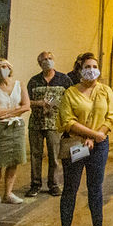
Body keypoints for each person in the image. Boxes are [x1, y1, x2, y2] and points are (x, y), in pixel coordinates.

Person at [55, 53, 113, 226]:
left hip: (99, 146)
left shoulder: (105, 91)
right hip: (77, 145)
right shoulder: (70, 93)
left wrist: (99, 135)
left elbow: (111, 116)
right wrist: (91, 135)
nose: (92, 69)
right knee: (70, 189)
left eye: (95, 66)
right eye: (87, 66)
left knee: (95, 187)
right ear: (80, 69)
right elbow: (67, 121)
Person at [0, 58, 31, 208]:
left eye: (5, 66)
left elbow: (26, 106)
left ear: (10, 69)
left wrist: (6, 113)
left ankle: (8, 193)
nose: (3, 69)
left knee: (13, 162)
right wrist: (14, 111)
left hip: (16, 128)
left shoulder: (20, 85)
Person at [25, 51, 71, 197]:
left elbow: (70, 100)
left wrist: (55, 105)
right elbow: (26, 101)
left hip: (54, 124)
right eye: (44, 59)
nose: (47, 61)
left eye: (50, 58)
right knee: (35, 155)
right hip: (36, 124)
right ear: (39, 63)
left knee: (54, 155)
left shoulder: (63, 79)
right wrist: (39, 103)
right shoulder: (34, 81)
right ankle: (35, 184)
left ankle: (54, 184)